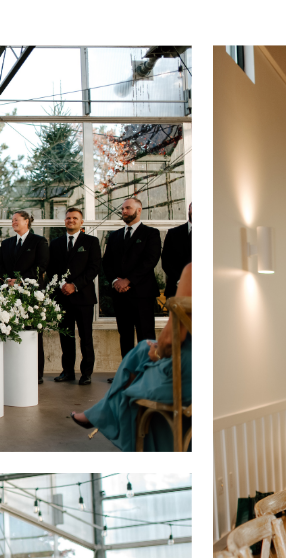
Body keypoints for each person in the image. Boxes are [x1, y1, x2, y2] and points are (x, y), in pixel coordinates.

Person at [68, 300, 194, 465]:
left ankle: (108, 416)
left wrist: (157, 351)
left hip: (188, 373)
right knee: (142, 348)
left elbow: (170, 338)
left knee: (137, 370)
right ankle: (102, 412)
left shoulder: (191, 275)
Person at [100, 197, 161, 356]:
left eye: (128, 208)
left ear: (139, 210)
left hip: (142, 294)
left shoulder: (151, 234)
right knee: (125, 335)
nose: (124, 211)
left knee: (146, 335)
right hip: (120, 294)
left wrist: (128, 280)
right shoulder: (114, 236)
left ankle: (147, 372)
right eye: (122, 209)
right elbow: (106, 263)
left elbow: (150, 261)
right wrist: (115, 281)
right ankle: (127, 373)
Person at [49, 206, 102, 384]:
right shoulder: (55, 243)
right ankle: (67, 371)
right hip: (62, 297)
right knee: (66, 336)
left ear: (81, 222)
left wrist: (75, 285)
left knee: (86, 336)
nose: (71, 221)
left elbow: (94, 268)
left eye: (74, 218)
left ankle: (86, 373)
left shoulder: (91, 242)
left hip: (83, 297)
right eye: (68, 218)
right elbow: (51, 270)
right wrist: (62, 285)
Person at [0, 210, 50, 383]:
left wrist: (20, 281)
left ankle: (36, 374)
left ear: (27, 221)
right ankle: (14, 372)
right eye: (12, 220)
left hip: (31, 294)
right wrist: (7, 280)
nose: (13, 222)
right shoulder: (6, 243)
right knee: (11, 330)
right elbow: (0, 266)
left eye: (16, 220)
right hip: (10, 294)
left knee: (33, 333)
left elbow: (41, 266)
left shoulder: (39, 241)